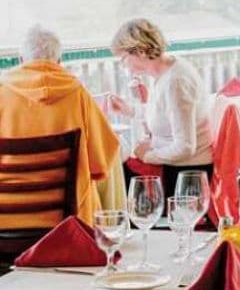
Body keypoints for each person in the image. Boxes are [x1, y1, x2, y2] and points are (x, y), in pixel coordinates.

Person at [0, 25, 119, 225]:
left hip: (6, 217)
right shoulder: (78, 94)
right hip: (68, 219)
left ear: (21, 60)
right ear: (59, 61)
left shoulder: (2, 92)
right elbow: (100, 163)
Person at [109, 18, 214, 198]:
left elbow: (185, 147)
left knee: (117, 177)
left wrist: (147, 155)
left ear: (140, 51)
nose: (123, 65)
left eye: (123, 58)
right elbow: (165, 114)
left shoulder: (176, 82)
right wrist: (130, 110)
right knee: (118, 171)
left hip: (186, 175)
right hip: (174, 166)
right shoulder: (164, 72)